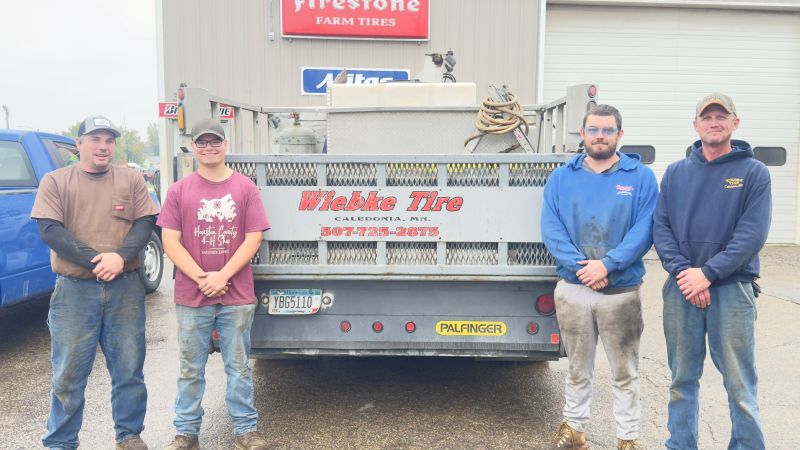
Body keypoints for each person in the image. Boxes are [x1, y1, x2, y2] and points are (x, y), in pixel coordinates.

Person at [32, 116, 159, 450]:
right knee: (68, 375)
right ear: (78, 144)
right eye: (95, 139)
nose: (103, 147)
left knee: (129, 370)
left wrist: (120, 257)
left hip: (125, 288)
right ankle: (61, 442)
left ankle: (129, 436)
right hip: (74, 291)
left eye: (109, 140)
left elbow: (145, 221)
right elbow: (50, 230)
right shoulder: (56, 181)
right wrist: (99, 260)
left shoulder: (131, 179)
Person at [653, 93, 771, 450]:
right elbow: (661, 228)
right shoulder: (675, 173)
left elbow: (751, 235)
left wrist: (707, 274)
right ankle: (680, 444)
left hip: (732, 288)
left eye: (722, 116)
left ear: (735, 123)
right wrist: (686, 273)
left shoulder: (754, 172)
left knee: (739, 383)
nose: (714, 123)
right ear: (696, 125)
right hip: (682, 288)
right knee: (682, 379)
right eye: (707, 117)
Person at [541, 104, 658, 450]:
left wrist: (607, 265)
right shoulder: (562, 178)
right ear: (583, 134)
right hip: (573, 288)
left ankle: (628, 437)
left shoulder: (640, 178)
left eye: (608, 130)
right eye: (593, 129)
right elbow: (551, 228)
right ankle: (574, 429)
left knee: (625, 372)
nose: (600, 136)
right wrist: (583, 267)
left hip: (620, 292)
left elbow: (645, 229)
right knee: (577, 368)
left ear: (620, 134)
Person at [158, 118, 270, 450]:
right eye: (202, 142)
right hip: (192, 296)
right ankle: (186, 433)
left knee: (239, 367)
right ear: (193, 147)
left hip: (236, 295)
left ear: (225, 145)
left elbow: (253, 238)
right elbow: (170, 241)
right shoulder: (179, 191)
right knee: (190, 368)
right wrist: (202, 278)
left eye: (215, 141)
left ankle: (246, 432)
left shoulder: (245, 188)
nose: (209, 148)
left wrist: (223, 276)